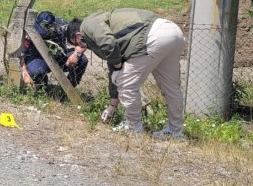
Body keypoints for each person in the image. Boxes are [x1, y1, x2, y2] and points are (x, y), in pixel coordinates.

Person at [66, 8, 186, 138]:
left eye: (78, 44)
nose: (82, 47)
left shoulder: (88, 25)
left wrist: (118, 65)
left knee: (127, 85)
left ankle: (134, 130)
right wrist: (112, 105)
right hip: (172, 31)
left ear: (78, 36)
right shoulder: (103, 20)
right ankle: (175, 132)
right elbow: (113, 61)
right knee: (171, 88)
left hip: (152, 36)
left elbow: (108, 44)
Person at [19, 32, 88, 90]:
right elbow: (21, 54)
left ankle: (68, 90)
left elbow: (83, 44)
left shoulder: (67, 26)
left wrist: (76, 54)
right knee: (36, 72)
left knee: (82, 60)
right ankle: (42, 84)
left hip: (60, 56)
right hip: (39, 58)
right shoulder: (35, 28)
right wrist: (25, 74)